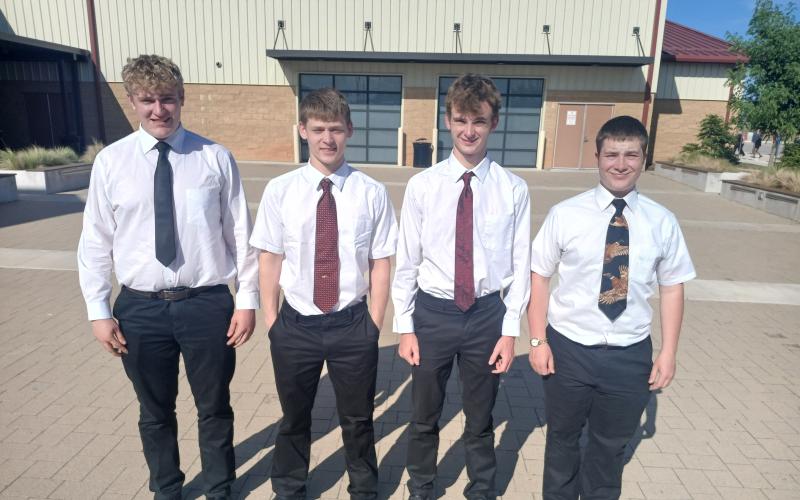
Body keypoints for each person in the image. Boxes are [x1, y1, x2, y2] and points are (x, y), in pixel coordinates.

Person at [77, 54, 258, 500]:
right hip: (140, 310)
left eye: (168, 99)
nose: (159, 110)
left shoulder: (214, 158)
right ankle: (167, 489)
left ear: (182, 98)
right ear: (131, 101)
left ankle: (219, 488)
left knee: (214, 407)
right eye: (148, 100)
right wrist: (98, 310)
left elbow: (240, 233)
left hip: (206, 305)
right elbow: (95, 241)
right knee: (155, 411)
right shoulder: (112, 163)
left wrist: (246, 299)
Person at [528, 115, 696, 500]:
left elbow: (672, 287)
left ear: (644, 159)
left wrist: (668, 352)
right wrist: (538, 341)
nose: (621, 164)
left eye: (631, 155)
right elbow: (539, 276)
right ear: (597, 158)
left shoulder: (662, 222)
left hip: (629, 354)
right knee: (562, 440)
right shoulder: (565, 214)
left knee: (609, 447)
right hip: (569, 349)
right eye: (612, 155)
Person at [250, 87, 397, 500]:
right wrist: (272, 322)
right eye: (318, 129)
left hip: (352, 324)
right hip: (295, 324)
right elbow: (270, 258)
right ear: (303, 130)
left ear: (349, 130)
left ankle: (364, 489)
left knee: (358, 418)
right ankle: (289, 487)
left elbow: (381, 262)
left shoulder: (371, 192)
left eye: (335, 129)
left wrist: (373, 324)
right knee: (294, 417)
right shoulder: (281, 190)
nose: (327, 138)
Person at [392, 74, 531, 500]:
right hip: (433, 314)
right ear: (447, 121)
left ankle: (481, 489)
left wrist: (510, 330)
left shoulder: (513, 189)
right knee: (424, 415)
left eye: (479, 121)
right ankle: (421, 487)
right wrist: (405, 326)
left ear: (494, 123)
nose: (469, 130)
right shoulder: (423, 186)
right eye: (460, 120)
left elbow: (521, 264)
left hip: (486, 315)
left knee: (480, 417)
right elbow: (407, 260)